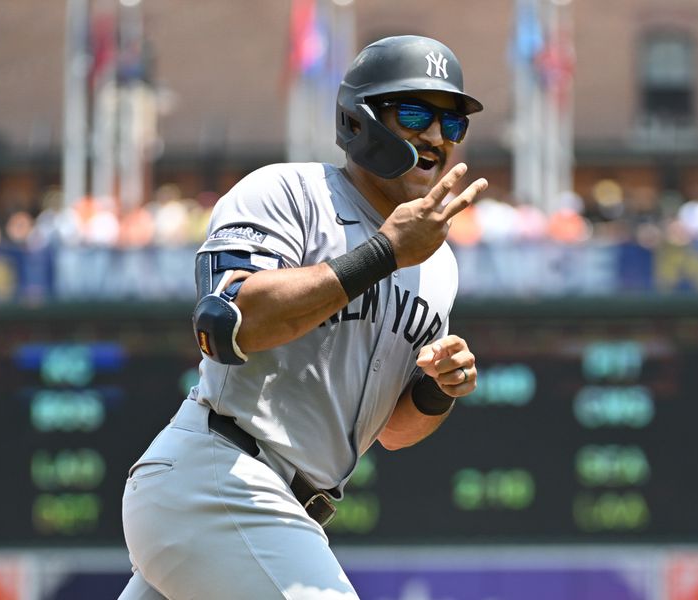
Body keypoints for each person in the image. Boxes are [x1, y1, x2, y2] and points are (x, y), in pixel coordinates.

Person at [118, 34, 488, 600]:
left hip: (278, 510)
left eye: (452, 123)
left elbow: (392, 431)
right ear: (361, 120)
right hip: (221, 476)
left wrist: (439, 388)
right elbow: (227, 324)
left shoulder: (438, 265)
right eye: (415, 113)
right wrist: (383, 253)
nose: (437, 136)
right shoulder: (290, 191)